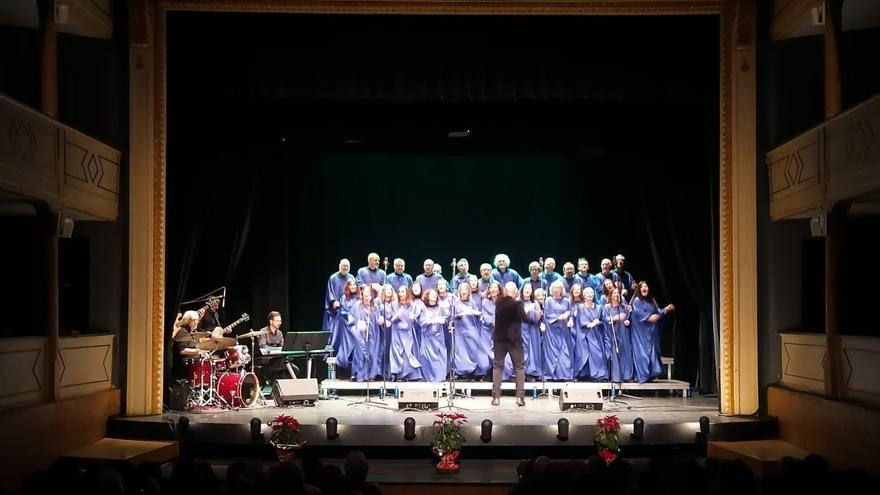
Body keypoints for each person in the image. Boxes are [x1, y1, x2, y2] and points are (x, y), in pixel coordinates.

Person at [492, 282, 533, 406]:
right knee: (519, 368)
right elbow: (525, 319)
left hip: (500, 339)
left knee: (498, 367)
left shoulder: (498, 302)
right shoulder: (518, 304)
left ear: (504, 291)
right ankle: (520, 398)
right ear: (515, 292)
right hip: (514, 341)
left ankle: (496, 398)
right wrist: (536, 322)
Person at [629, 281, 674, 383]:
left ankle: (650, 375)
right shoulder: (636, 301)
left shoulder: (651, 300)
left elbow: (657, 311)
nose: (645, 288)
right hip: (640, 333)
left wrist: (665, 310)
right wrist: (665, 311)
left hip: (651, 332)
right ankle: (642, 376)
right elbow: (650, 318)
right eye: (642, 287)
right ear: (639, 289)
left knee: (652, 353)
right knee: (642, 353)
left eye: (646, 286)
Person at [324, 258, 356, 350]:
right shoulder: (333, 278)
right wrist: (333, 301)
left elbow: (355, 293)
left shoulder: (351, 278)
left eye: (347, 266)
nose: (345, 267)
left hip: (349, 310)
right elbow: (330, 292)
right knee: (335, 334)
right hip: (336, 312)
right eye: (344, 266)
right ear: (339, 266)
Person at [256, 311, 286, 385]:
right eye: (277, 321)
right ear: (271, 321)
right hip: (266, 359)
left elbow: (283, 347)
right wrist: (277, 350)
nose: (280, 323)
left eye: (280, 321)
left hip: (277, 358)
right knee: (282, 363)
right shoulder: (263, 331)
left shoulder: (280, 333)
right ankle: (278, 385)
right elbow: (263, 346)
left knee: (295, 369)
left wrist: (279, 351)